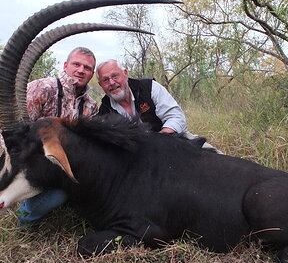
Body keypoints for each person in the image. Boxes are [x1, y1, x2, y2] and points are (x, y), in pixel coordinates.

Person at [17, 47, 98, 227]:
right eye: (77, 64)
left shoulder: (91, 105)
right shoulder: (43, 87)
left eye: (87, 68)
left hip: (66, 166)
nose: (81, 70)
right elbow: (17, 132)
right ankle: (25, 217)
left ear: (92, 73)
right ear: (66, 65)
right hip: (33, 163)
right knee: (61, 193)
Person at [96, 59, 222, 153]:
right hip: (137, 154)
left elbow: (176, 117)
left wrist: (159, 140)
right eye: (105, 80)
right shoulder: (104, 111)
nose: (112, 83)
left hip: (174, 139)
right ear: (101, 85)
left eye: (115, 76)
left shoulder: (149, 87)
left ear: (125, 73)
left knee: (220, 160)